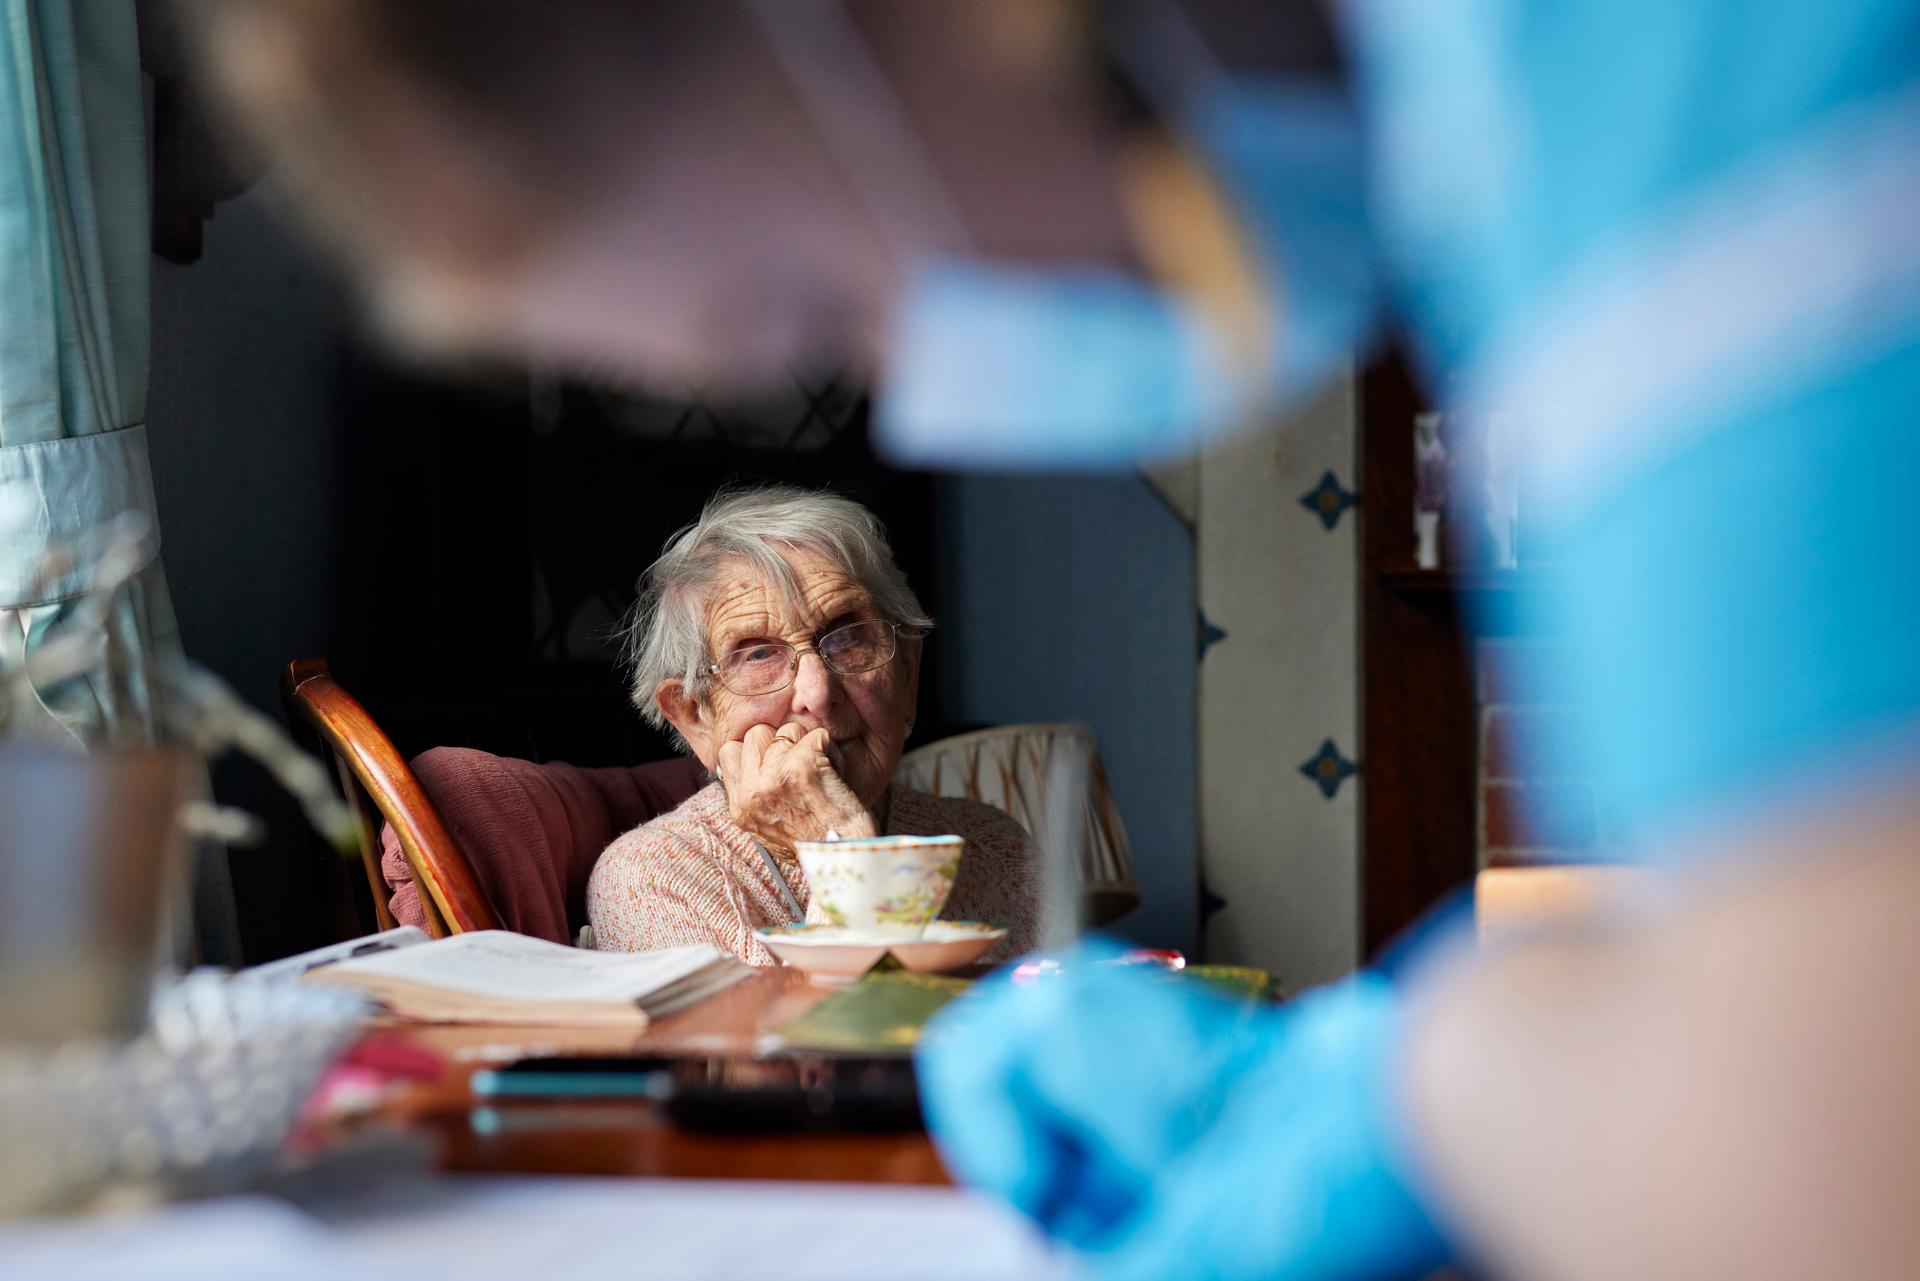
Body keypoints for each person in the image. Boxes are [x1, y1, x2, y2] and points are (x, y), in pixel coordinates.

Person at [188, 3, 1920, 1278]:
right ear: (680, 708)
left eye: (805, 308)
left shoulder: (1650, 82)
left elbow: (1831, 1150)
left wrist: (1415, 1080)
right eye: (754, 656)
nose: (926, 380)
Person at [588, 486, 1043, 965]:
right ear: (695, 717)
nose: (817, 693)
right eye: (759, 653)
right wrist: (842, 843)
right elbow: (835, 1037)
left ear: (907, 675)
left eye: (846, 638)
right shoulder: (651, 878)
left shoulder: (996, 847)